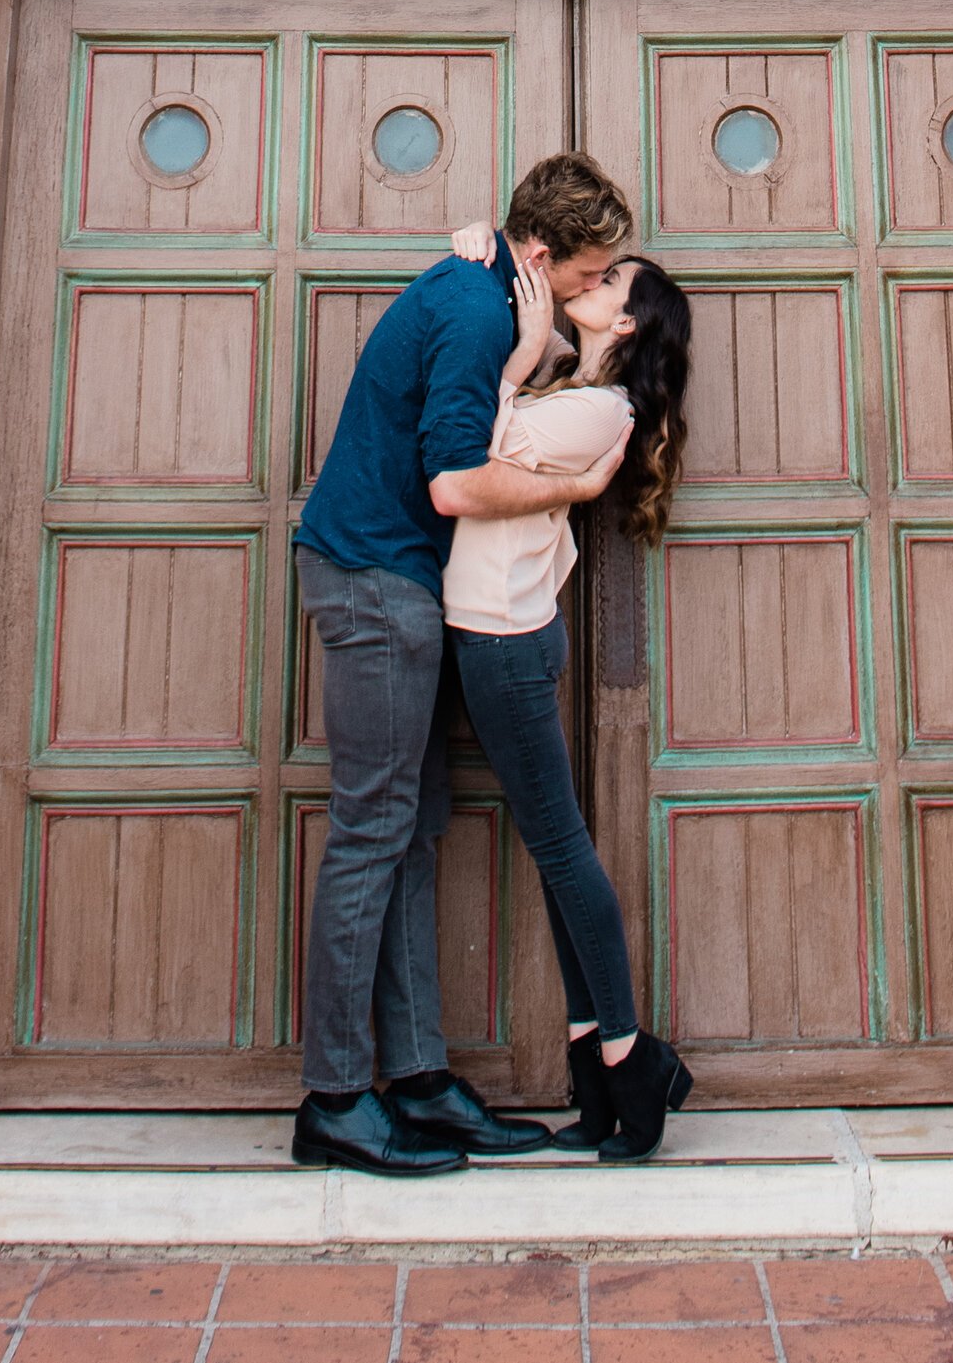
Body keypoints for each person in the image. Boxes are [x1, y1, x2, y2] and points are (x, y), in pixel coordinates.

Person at [289, 149, 635, 1179]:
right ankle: (337, 1098)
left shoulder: (481, 286)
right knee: (371, 831)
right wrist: (573, 486)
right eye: (587, 268)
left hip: (402, 588)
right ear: (539, 252)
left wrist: (529, 352)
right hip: (374, 578)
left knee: (411, 831)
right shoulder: (483, 311)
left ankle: (420, 1079)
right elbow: (452, 484)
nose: (591, 284)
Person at [444, 223, 698, 1162]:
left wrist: (511, 353)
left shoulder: (604, 408)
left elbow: (478, 436)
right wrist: (486, 242)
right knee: (558, 854)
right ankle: (600, 1068)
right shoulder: (573, 380)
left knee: (563, 850)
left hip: (505, 641)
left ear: (627, 318)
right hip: (495, 634)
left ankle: (632, 1054)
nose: (588, 279)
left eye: (610, 278)